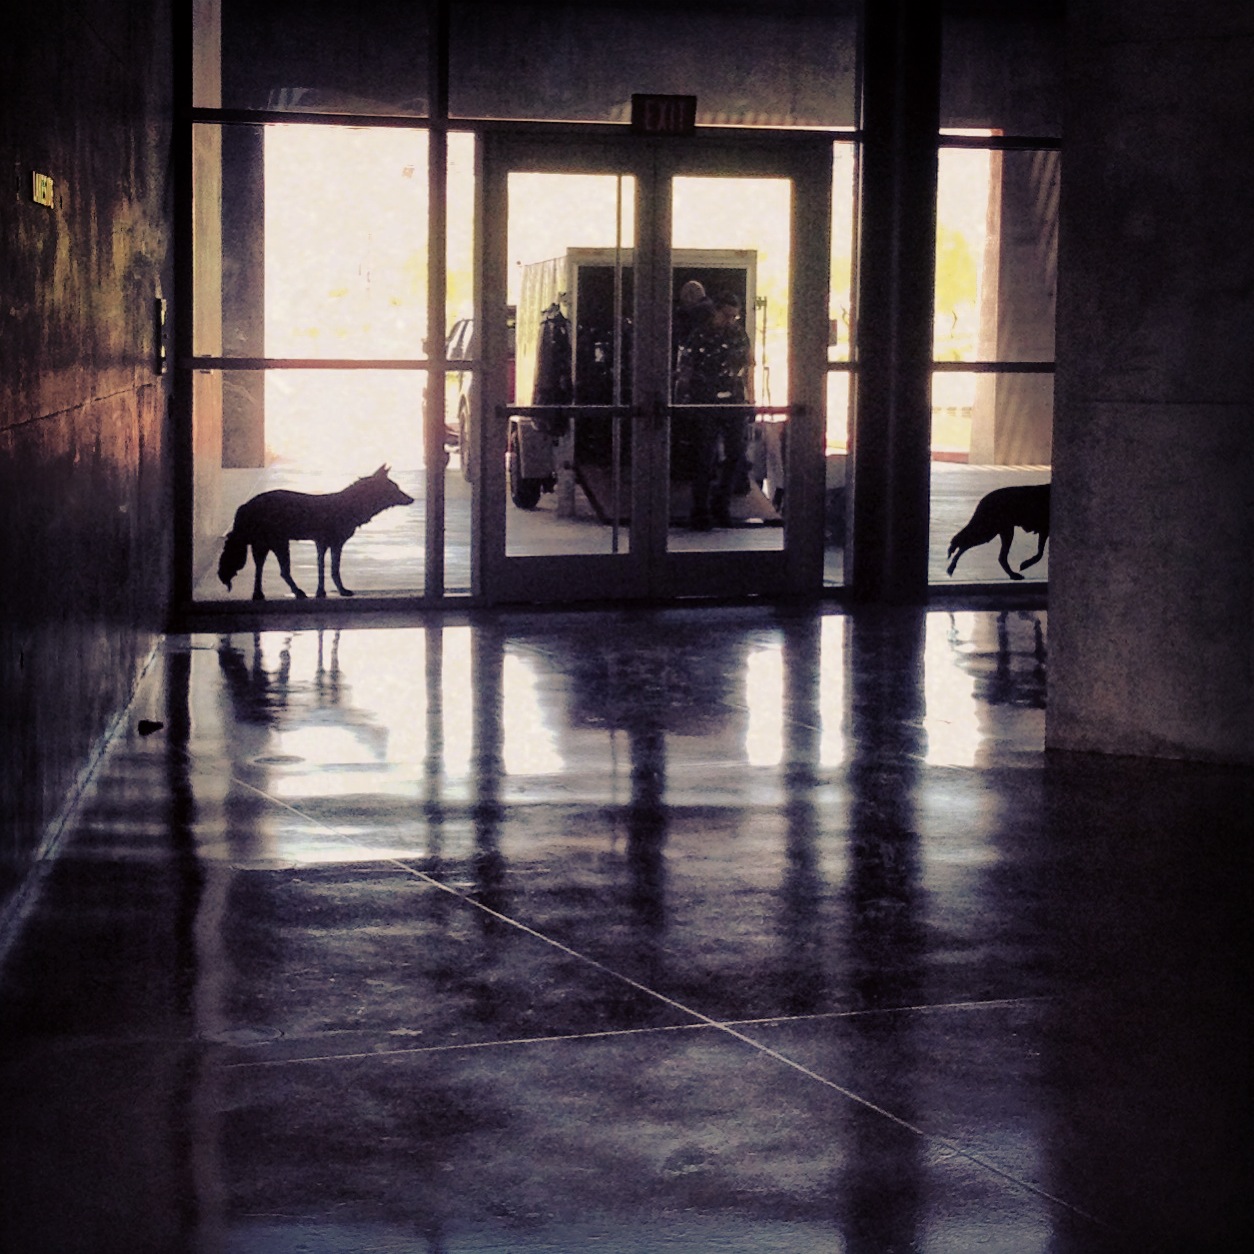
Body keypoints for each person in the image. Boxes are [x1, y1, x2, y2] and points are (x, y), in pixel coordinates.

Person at [674, 290, 752, 529]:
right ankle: (700, 510)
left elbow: (748, 367)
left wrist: (750, 399)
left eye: (734, 317)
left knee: (736, 454)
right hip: (705, 400)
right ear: (716, 312)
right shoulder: (699, 336)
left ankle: (722, 503)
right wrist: (682, 401)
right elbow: (685, 370)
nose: (730, 321)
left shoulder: (739, 335)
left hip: (734, 401)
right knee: (704, 457)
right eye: (727, 316)